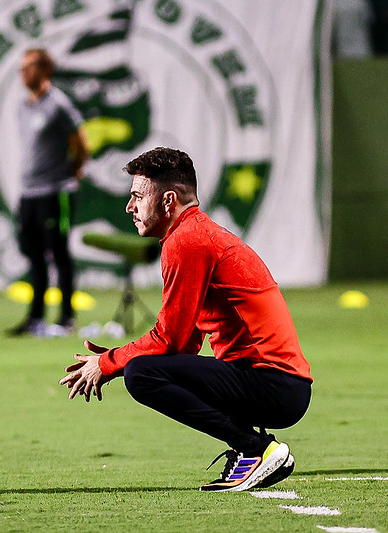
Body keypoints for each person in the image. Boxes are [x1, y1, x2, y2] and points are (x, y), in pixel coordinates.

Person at [59, 147, 312, 492]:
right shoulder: (196, 233)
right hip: (279, 383)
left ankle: (254, 449)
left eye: (136, 197)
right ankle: (251, 449)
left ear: (168, 201)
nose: (129, 207)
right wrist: (121, 357)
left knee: (141, 374)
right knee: (143, 366)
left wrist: (110, 362)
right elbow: (185, 347)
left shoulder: (186, 241)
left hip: (274, 385)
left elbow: (170, 342)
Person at [7, 48, 89, 338]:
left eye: (28, 68)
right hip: (28, 192)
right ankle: (35, 318)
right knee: (33, 255)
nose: (23, 74)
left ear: (44, 70)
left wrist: (71, 173)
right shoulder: (23, 106)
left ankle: (66, 317)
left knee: (59, 253)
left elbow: (81, 144)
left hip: (55, 191)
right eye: (21, 68)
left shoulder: (58, 105)